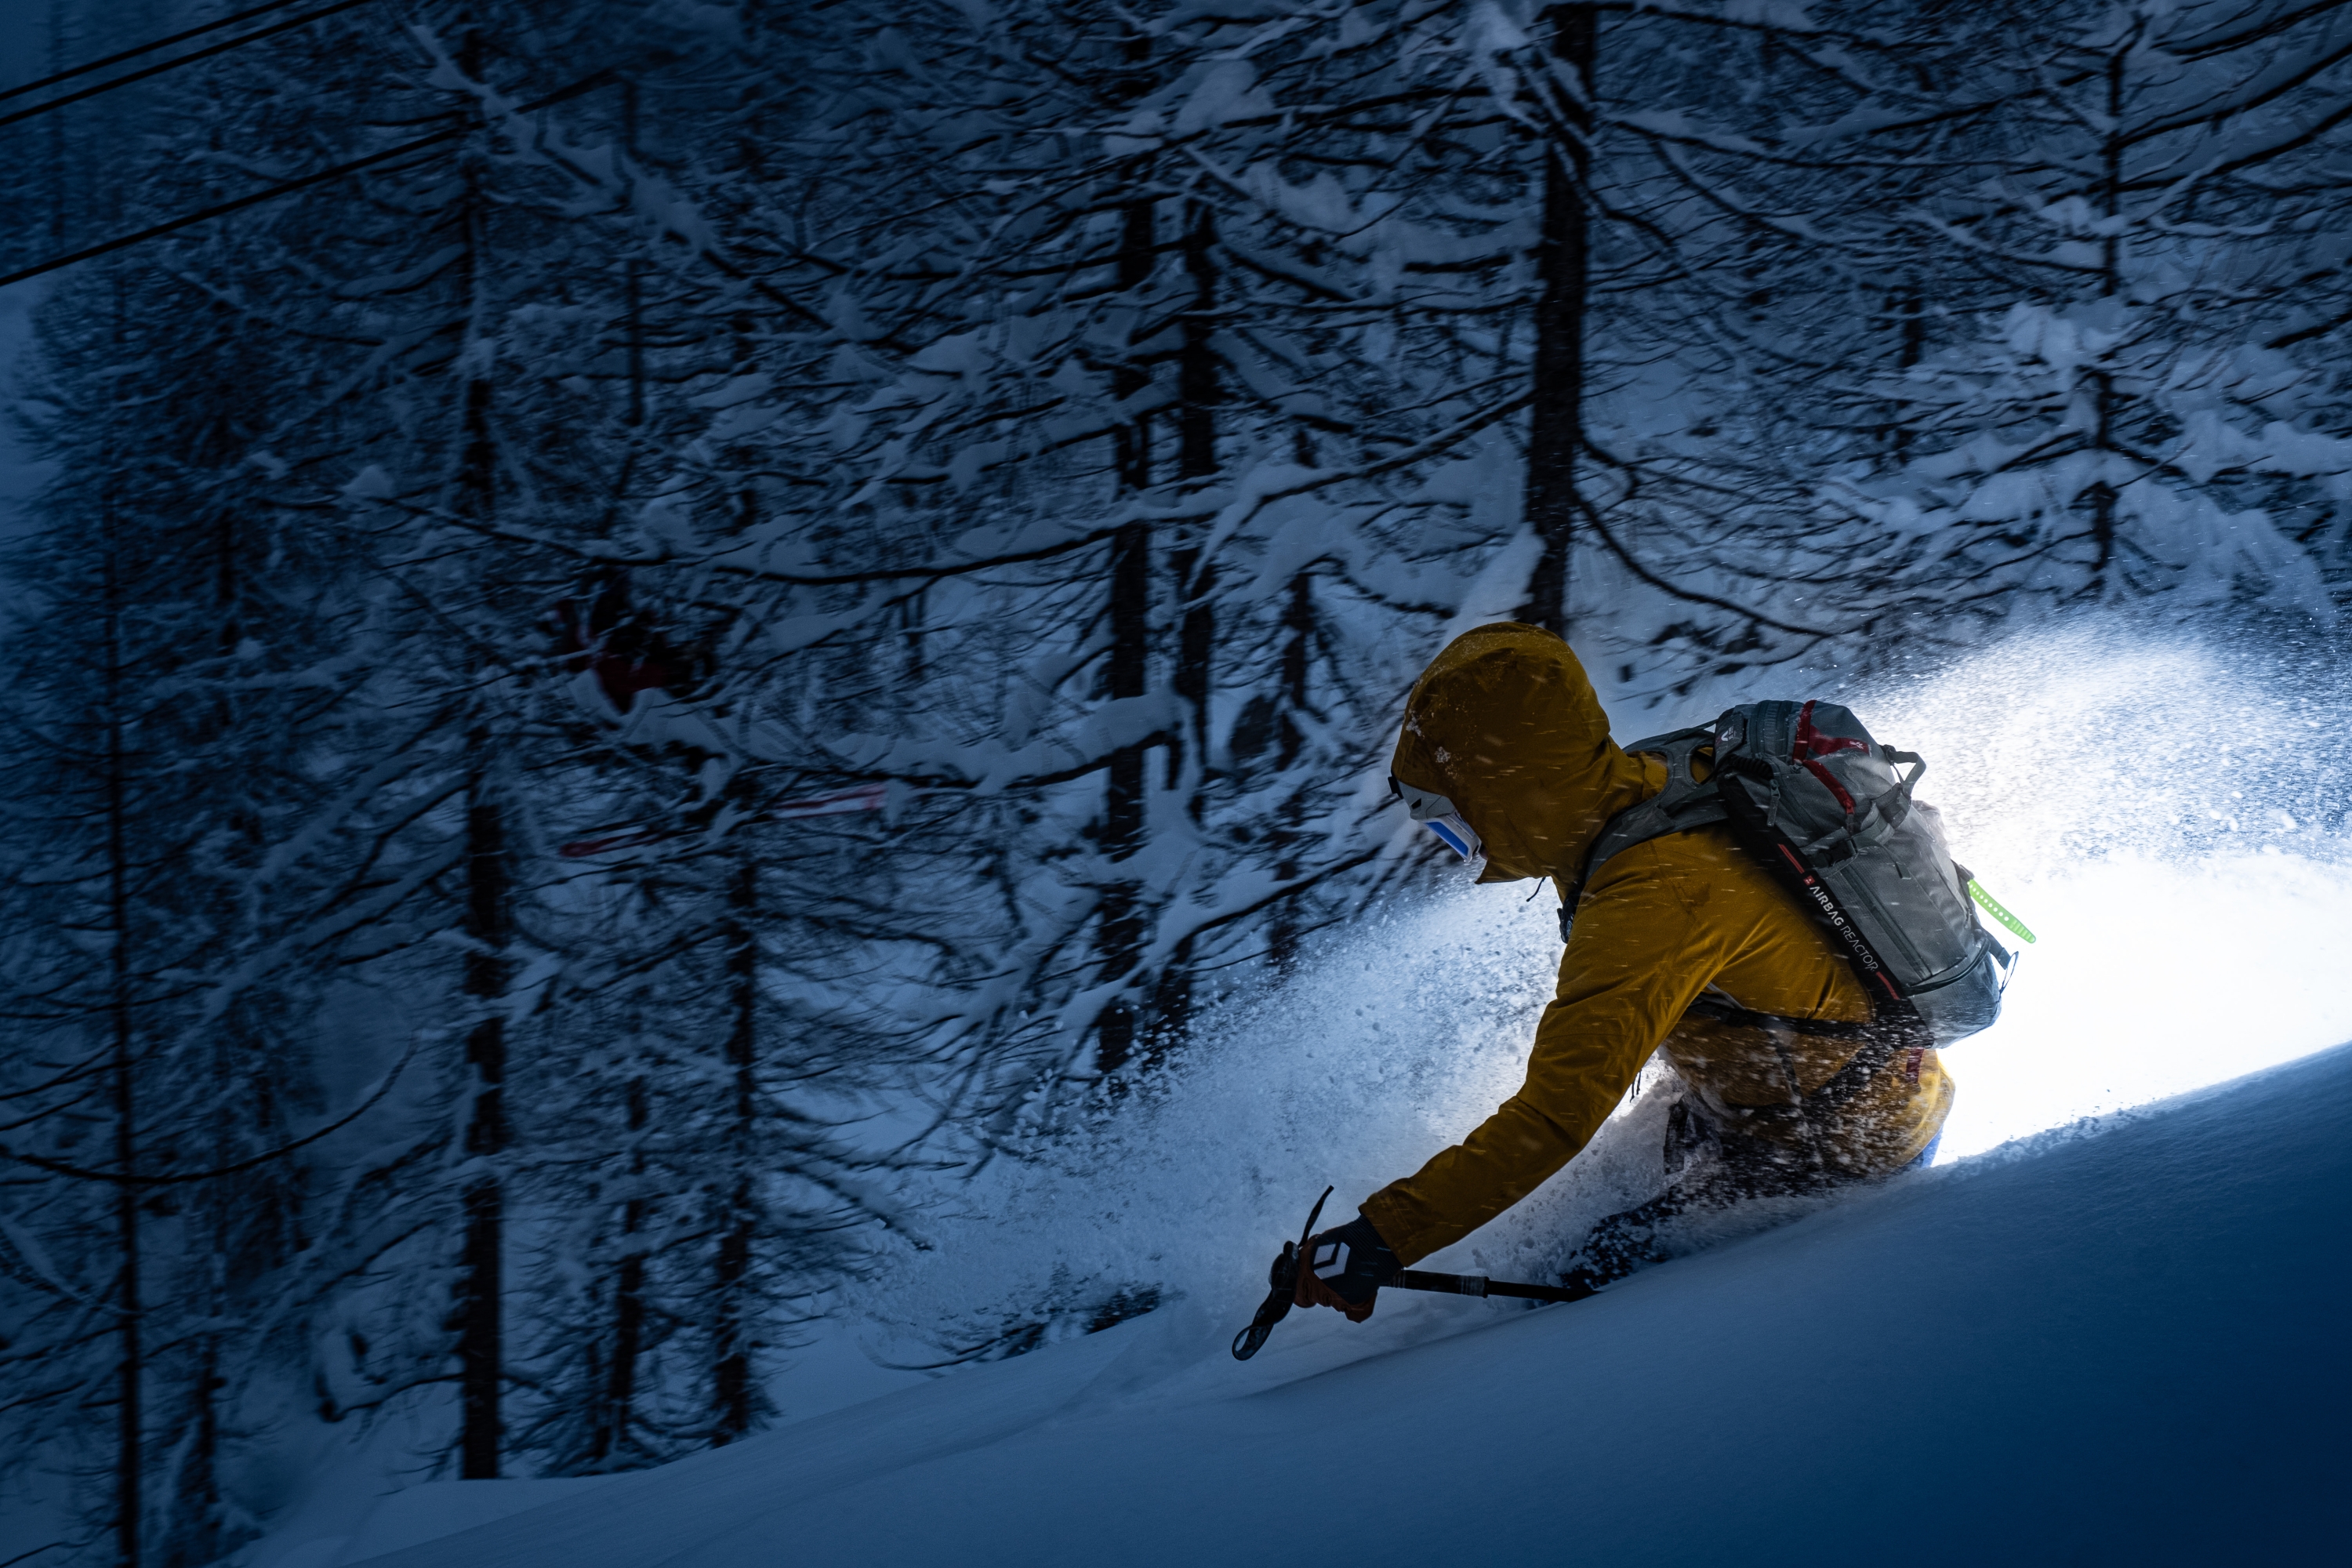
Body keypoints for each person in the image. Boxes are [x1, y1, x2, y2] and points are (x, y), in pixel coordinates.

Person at [1295, 622, 1954, 1323]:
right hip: (1809, 1094)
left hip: (1845, 1147)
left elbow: (1554, 1118)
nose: (1462, 847)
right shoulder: (1649, 784)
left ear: (1510, 795)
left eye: (1452, 821)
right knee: (1569, 1201)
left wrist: (1378, 1240)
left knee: (1573, 1279)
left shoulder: (1652, 897)